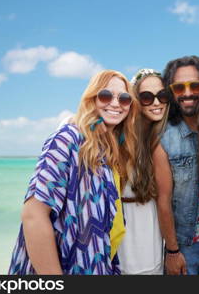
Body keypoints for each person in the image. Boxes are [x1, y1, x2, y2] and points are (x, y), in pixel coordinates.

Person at [9, 70, 138, 275]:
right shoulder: (68, 138)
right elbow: (33, 215)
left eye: (124, 98)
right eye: (106, 96)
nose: (116, 103)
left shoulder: (108, 152)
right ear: (91, 99)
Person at [153, 55, 199, 275]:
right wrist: (172, 251)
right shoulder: (164, 139)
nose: (187, 93)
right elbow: (163, 200)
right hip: (187, 244)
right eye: (179, 87)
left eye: (195, 85)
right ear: (171, 92)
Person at [116, 68, 169, 275]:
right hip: (122, 228)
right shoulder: (119, 135)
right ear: (135, 99)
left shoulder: (163, 136)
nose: (156, 102)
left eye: (162, 96)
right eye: (147, 97)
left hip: (149, 227)